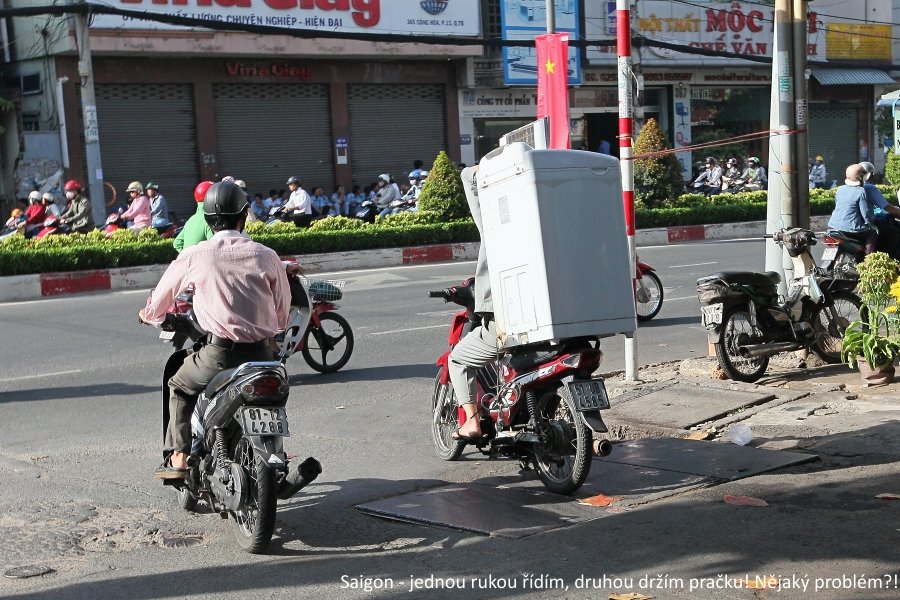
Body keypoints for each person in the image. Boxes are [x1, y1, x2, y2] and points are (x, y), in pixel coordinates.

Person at [139, 181, 291, 479]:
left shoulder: (196, 254)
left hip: (218, 356)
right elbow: (282, 314)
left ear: (207, 219)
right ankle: (275, 452)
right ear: (244, 216)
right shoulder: (266, 255)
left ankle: (180, 458)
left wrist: (148, 314)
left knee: (179, 386)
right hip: (263, 356)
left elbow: (159, 302)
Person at [448, 164, 500, 441]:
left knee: (458, 360)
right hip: (562, 326)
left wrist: (478, 170)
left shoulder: (499, 230)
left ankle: (471, 422)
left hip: (509, 324)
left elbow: (470, 181)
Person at [827, 164, 877, 255]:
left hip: (833, 226)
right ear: (860, 177)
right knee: (872, 233)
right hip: (852, 229)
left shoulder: (840, 189)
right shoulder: (860, 191)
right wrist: (872, 223)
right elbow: (866, 214)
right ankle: (869, 261)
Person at [859, 161, 900, 258]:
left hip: (841, 225)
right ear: (870, 175)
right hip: (862, 225)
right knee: (894, 232)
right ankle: (880, 260)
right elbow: (886, 207)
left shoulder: (843, 189)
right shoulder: (869, 188)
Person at [173, 181, 215, 252]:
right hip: (202, 262)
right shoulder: (209, 220)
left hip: (187, 262)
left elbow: (176, 243)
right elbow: (213, 248)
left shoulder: (191, 219)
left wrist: (186, 256)